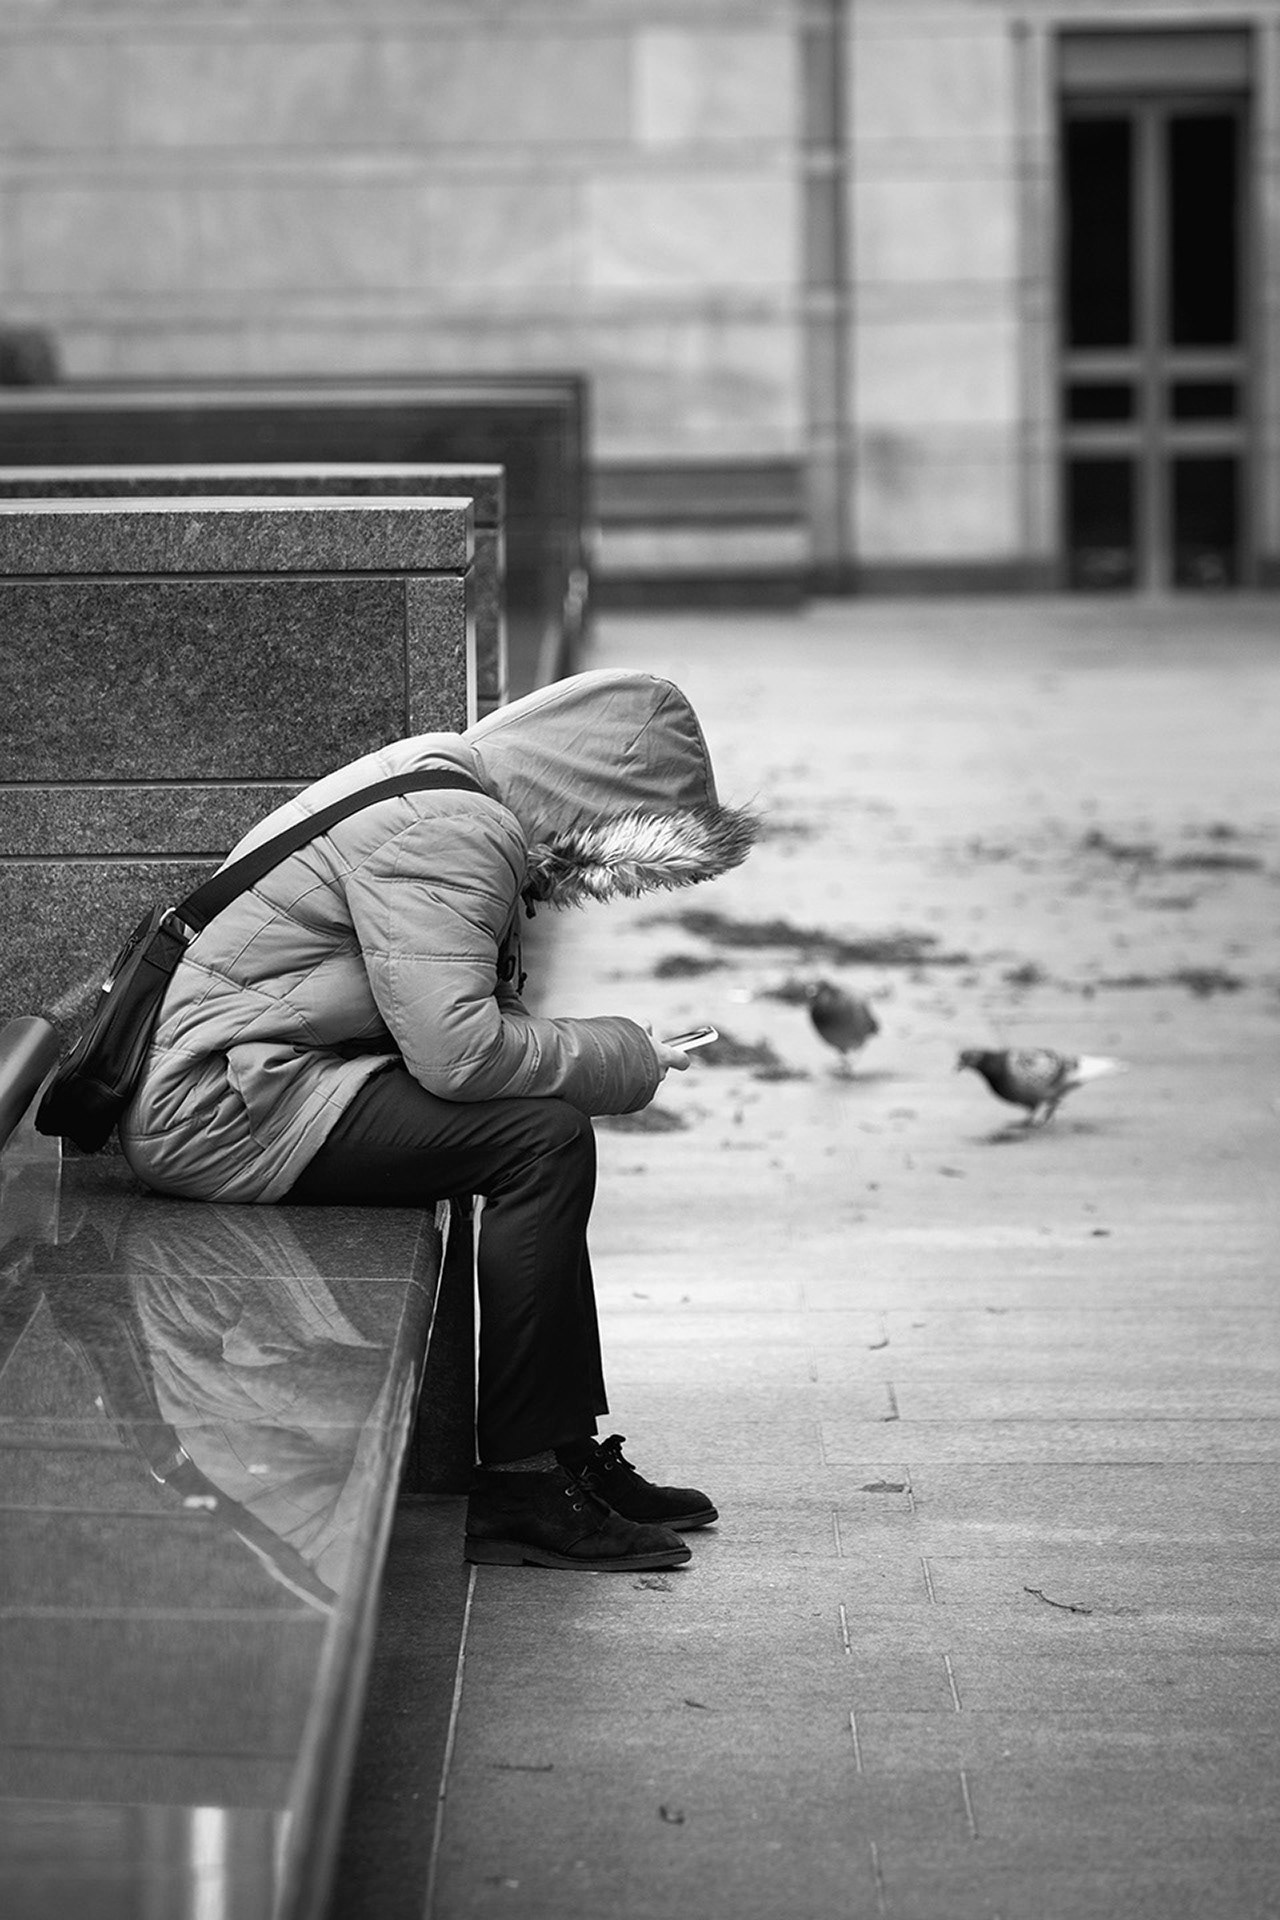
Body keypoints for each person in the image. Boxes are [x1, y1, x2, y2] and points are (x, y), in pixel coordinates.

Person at [120, 669, 758, 1573]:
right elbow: (459, 1055)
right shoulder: (453, 829)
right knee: (542, 1140)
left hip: (276, 1077)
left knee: (541, 1128)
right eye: (615, 850)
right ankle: (527, 1482)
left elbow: (448, 1020)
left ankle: (566, 1455)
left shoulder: (449, 787)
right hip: (223, 1109)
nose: (595, 877)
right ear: (599, 797)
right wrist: (627, 1054)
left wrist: (607, 1046)